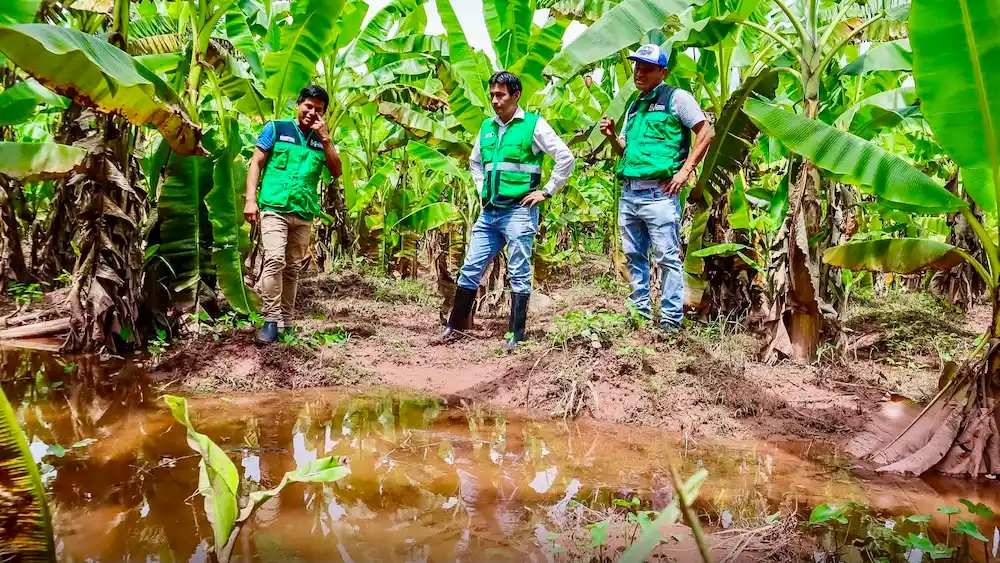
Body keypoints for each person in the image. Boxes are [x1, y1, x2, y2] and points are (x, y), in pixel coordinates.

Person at [434, 71, 576, 350]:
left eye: (501, 95)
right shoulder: (487, 127)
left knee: (519, 270)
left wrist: (547, 191)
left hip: (518, 212)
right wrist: (481, 188)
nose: (495, 101)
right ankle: (454, 327)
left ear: (516, 95)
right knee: (471, 267)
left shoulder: (533, 126)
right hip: (489, 213)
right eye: (492, 95)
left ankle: (516, 334)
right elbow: (476, 163)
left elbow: (565, 157)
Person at [599, 44, 715, 332]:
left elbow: (706, 131)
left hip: (659, 194)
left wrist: (685, 172)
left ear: (663, 71)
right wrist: (613, 136)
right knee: (634, 255)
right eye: (637, 66)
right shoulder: (635, 105)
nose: (639, 72)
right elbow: (625, 150)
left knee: (666, 257)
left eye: (647, 68)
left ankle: (670, 321)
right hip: (631, 192)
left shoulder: (677, 98)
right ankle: (639, 313)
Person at [244, 85, 343, 344]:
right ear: (298, 104)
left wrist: (326, 139)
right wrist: (250, 199)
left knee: (292, 269)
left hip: (304, 212)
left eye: (318, 110)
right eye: (308, 106)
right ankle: (270, 321)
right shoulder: (276, 128)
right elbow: (256, 162)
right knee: (275, 260)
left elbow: (336, 171)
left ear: (323, 114)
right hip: (274, 207)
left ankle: (287, 323)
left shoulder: (322, 141)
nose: (311, 112)